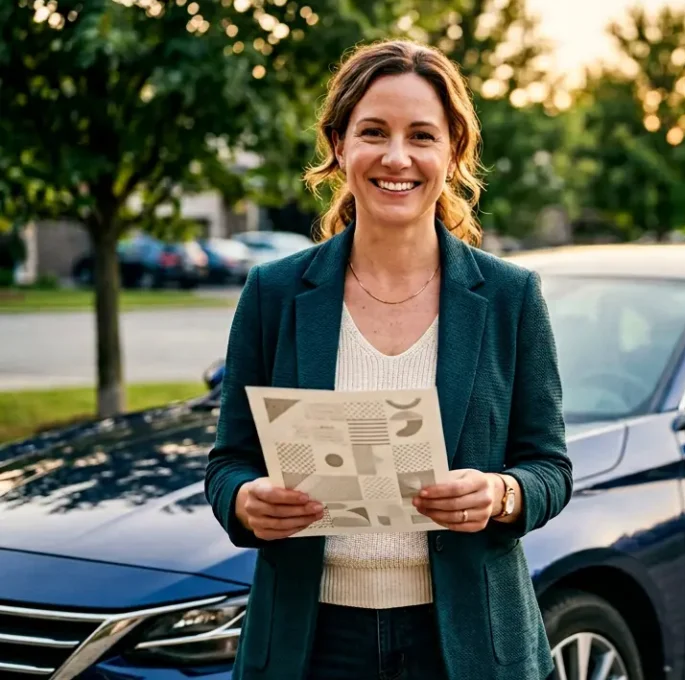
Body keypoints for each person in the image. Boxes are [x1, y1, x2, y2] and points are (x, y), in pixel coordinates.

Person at [203, 39, 573, 680]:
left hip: (466, 643)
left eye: (422, 136)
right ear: (339, 145)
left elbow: (550, 466)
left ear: (453, 153)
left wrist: (502, 493)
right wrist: (244, 500)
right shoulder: (274, 292)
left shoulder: (511, 296)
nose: (396, 157)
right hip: (310, 642)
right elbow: (228, 462)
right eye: (373, 131)